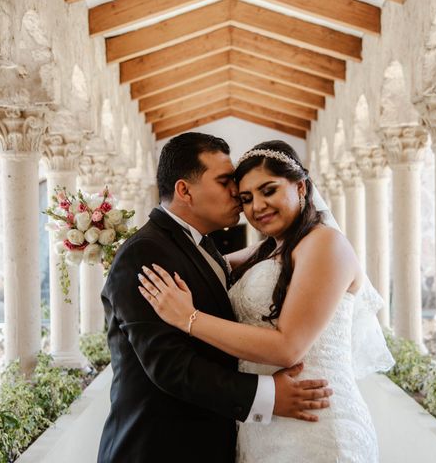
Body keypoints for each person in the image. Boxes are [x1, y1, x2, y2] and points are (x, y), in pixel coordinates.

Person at [139, 140, 395, 462]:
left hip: (314, 420)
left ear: (300, 186)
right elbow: (203, 265)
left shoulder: (325, 244)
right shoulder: (269, 249)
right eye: (246, 198)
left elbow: (288, 347)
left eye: (269, 190)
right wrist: (136, 252)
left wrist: (189, 318)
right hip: (265, 420)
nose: (257, 206)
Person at [97, 133, 332, 463]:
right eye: (225, 181)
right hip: (159, 448)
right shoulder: (145, 252)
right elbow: (169, 365)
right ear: (184, 190)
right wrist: (266, 396)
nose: (236, 193)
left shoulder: (203, 245)